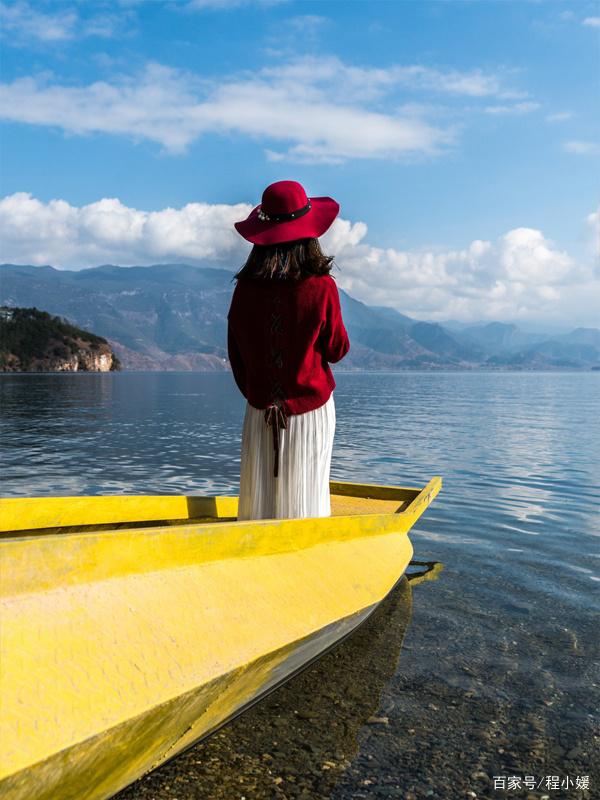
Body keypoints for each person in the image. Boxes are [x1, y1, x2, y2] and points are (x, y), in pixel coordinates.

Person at [227, 180, 350, 520]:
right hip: (310, 410)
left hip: (259, 409)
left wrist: (260, 395)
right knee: (307, 497)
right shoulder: (322, 287)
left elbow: (236, 355)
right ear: (309, 233)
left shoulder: (245, 290)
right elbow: (337, 349)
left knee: (259, 500)